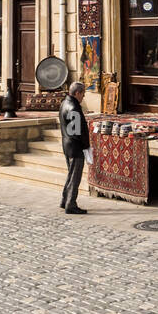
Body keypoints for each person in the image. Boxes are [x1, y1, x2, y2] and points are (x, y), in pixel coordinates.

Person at [58, 81, 91, 215]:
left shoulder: (64, 103)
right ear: (77, 93)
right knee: (75, 177)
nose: (83, 97)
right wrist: (86, 146)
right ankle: (71, 204)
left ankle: (65, 200)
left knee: (71, 174)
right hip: (75, 147)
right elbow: (76, 131)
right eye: (83, 93)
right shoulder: (74, 107)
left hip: (67, 144)